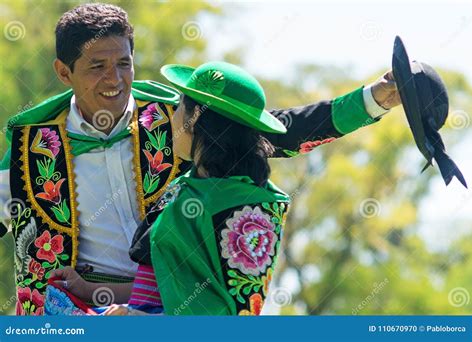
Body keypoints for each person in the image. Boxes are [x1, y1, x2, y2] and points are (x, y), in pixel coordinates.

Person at [0, 3, 400, 315]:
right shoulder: (26, 148)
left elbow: (274, 130)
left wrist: (373, 100)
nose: (115, 80)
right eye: (97, 67)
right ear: (64, 72)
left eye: (124, 63)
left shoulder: (176, 118)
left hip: (175, 304)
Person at [51, 61, 291, 315]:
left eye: (178, 108)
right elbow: (163, 288)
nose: (172, 118)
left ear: (195, 116)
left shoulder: (231, 207)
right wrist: (89, 291)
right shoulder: (188, 187)